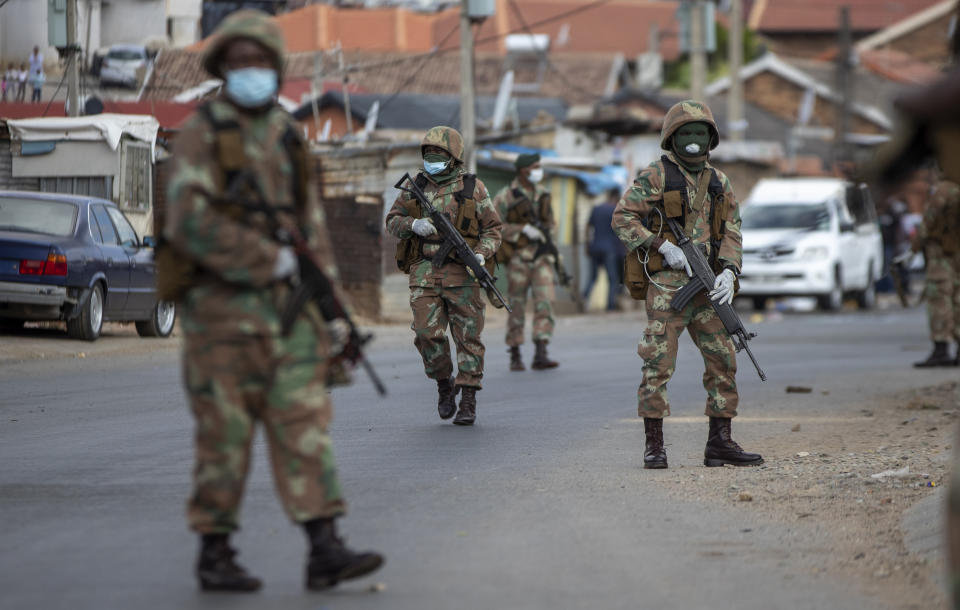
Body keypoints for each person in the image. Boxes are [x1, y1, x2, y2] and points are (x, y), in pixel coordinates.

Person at [163, 10, 382, 592]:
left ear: (276, 69)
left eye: (260, 62)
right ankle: (216, 552)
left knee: (306, 426)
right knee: (224, 441)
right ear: (222, 70)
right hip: (221, 320)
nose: (250, 72)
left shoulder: (288, 135)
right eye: (238, 63)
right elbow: (187, 223)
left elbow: (312, 236)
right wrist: (265, 260)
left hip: (288, 318)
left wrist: (335, 314)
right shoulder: (202, 132)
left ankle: (325, 548)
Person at [612, 100, 763, 470]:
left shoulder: (719, 181)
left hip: (709, 284)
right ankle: (655, 445)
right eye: (687, 133)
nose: (694, 141)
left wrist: (729, 270)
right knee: (657, 362)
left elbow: (732, 229)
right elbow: (623, 217)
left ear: (711, 139)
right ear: (672, 138)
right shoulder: (656, 176)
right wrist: (660, 245)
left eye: (700, 133)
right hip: (668, 286)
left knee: (724, 360)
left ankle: (720, 442)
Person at [385, 126, 502, 425]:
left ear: (453, 157)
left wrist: (481, 253)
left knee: (468, 338)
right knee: (426, 334)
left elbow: (493, 229)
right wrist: (413, 225)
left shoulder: (473, 188)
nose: (432, 160)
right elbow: (392, 220)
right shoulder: (416, 186)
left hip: (462, 273)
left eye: (438, 155)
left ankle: (469, 398)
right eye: (428, 155)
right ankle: (443, 383)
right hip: (425, 271)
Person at [493, 153, 560, 371]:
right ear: (523, 170)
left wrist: (547, 237)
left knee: (545, 302)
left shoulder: (543, 194)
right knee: (517, 305)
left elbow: (552, 223)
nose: (539, 170)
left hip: (541, 257)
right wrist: (522, 229)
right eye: (535, 166)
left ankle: (541, 351)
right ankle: (515, 353)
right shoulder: (506, 196)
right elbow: (493, 226)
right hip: (518, 258)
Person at [911, 177, 960, 367]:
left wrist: (915, 247)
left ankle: (941, 349)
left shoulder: (945, 188)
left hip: (943, 255)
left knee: (939, 298)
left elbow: (930, 219)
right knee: (957, 299)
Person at [583, 187, 627, 311]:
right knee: (613, 279)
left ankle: (584, 297)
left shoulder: (597, 208)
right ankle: (610, 305)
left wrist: (587, 245)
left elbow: (587, 227)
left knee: (592, 277)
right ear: (617, 198)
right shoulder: (616, 211)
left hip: (595, 247)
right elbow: (621, 232)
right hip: (610, 249)